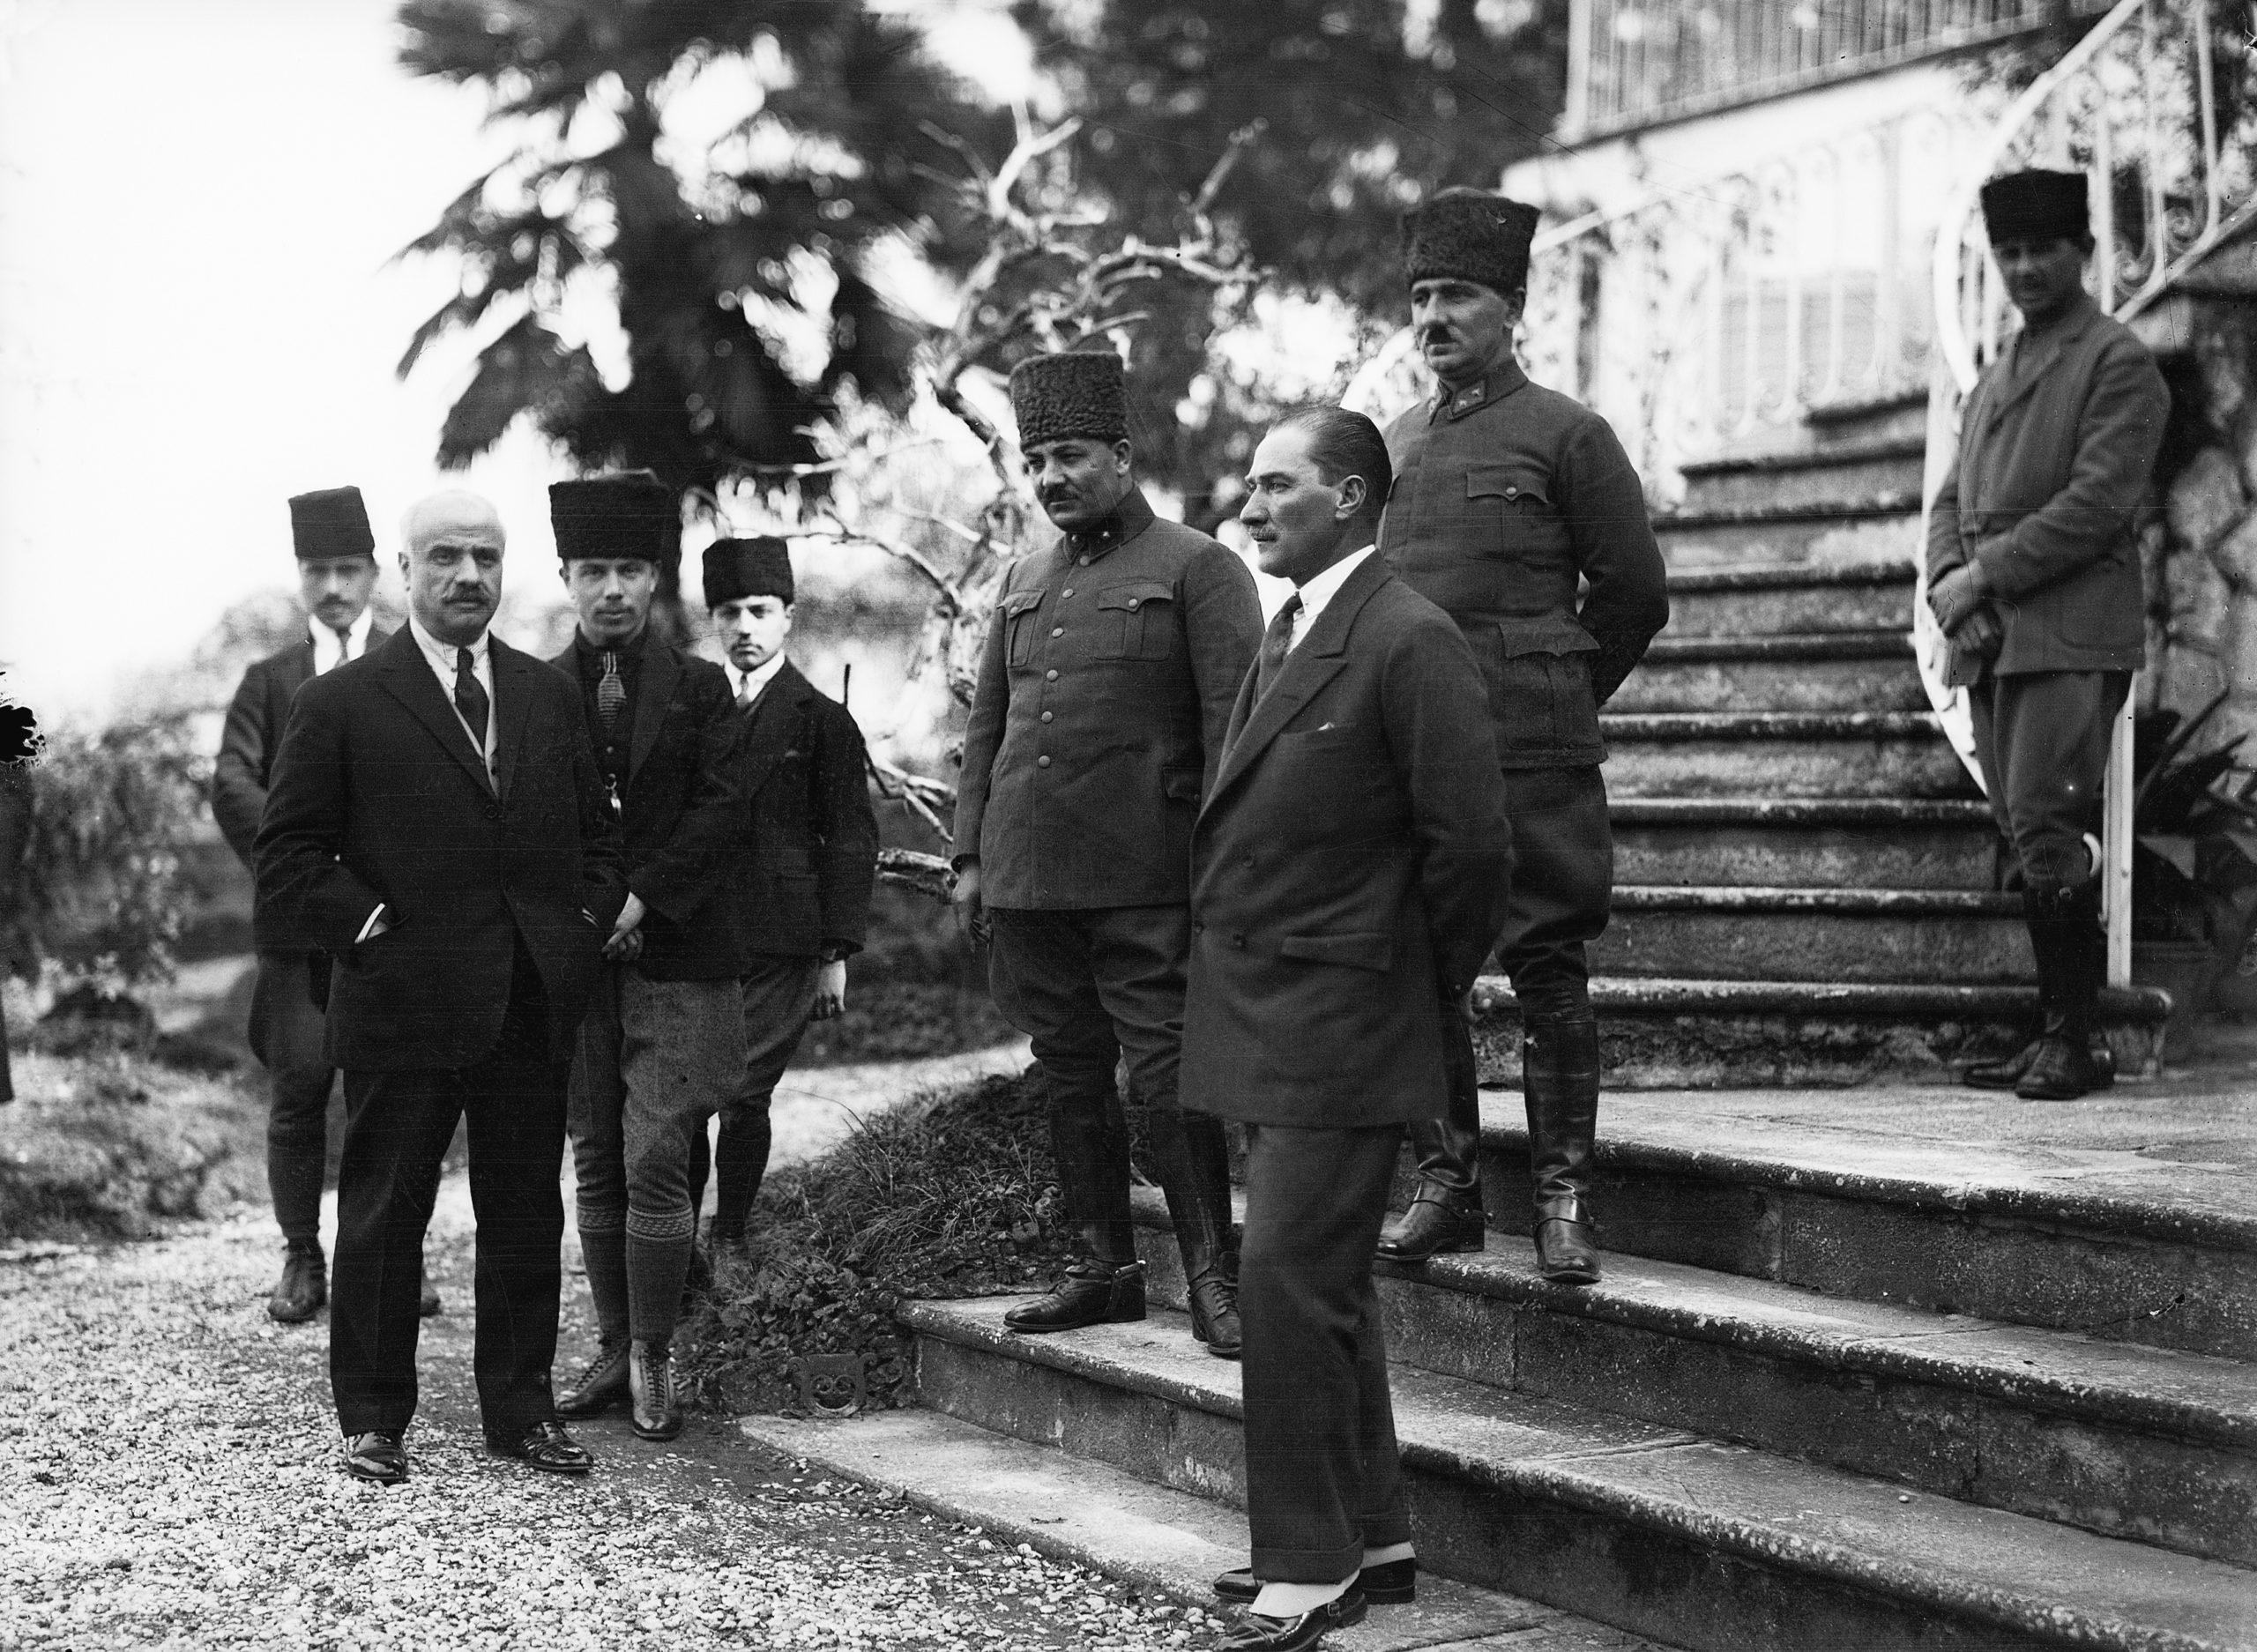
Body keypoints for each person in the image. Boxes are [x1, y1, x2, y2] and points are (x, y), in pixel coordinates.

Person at [1184, 407, 1512, 1651]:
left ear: (1353, 499)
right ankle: (1374, 1534)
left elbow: (1472, 850)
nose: (1253, 507)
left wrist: (1407, 987)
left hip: (1348, 1012)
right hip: (1275, 1008)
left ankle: (1309, 1567)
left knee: (1283, 1281)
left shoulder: (1407, 636)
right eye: (1252, 487)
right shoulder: (1299, 624)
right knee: (1321, 1285)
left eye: (1279, 486)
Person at [254, 488, 626, 1485]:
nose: (470, 576)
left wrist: (579, 931)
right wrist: (369, 926)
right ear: (406, 572)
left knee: (522, 1210)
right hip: (401, 997)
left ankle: (521, 1410)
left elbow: (600, 839)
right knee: (383, 1210)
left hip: (525, 997)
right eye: (448, 557)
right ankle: (374, 1417)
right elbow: (289, 851)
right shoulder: (339, 701)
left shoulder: (547, 695)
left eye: (488, 557)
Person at [1374, 189, 1668, 1284]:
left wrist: (1556, 686)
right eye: (1419, 297)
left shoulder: (1567, 434)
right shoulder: (1392, 444)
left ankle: (1561, 1196)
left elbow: (1634, 591)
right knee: (1420, 968)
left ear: (1512, 307)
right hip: (1414, 753)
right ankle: (1445, 1183)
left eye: (1456, 295)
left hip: (1533, 748)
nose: (1432, 317)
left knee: (1546, 966)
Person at [952, 350, 1263, 1355]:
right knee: (1064, 1071)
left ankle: (1215, 1278)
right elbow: (986, 734)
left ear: (1123, 455)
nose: (1049, 477)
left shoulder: (1196, 567)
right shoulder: (1019, 579)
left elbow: (1235, 733)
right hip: (1029, 877)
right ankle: (1103, 1268)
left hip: (1148, 878)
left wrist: (1225, 871)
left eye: (1070, 454)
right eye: (1035, 457)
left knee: (1167, 1075)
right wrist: (969, 862)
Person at [1929, 168, 2170, 1101]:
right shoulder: (1995, 376)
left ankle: (2075, 1038)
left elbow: (2098, 504)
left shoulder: (2115, 361)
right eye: (2010, 253)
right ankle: (2055, 1031)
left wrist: (1984, 574)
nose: (2025, 268)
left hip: (2072, 632)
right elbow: (1949, 497)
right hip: (1994, 634)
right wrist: (1951, 583)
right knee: (2019, 824)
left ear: (2085, 253)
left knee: (2043, 822)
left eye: (2043, 249)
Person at [542, 473, 749, 1443]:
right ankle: (615, 1344)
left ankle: (659, 1352)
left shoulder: (704, 688)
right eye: (594, 570)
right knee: (593, 1154)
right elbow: (530, 823)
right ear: (566, 576)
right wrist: (592, 913)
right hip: (581, 960)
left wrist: (642, 898)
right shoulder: (534, 690)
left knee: (657, 1150)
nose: (612, 589)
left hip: (680, 947)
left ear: (654, 575)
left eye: (629, 568)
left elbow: (723, 813)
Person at [209, 487, 439, 1324]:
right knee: (302, 1085)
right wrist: (303, 855)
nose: (335, 584)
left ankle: (394, 1258)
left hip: (391, 921)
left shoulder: (410, 663)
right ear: (300, 578)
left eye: (349, 568)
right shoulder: (268, 681)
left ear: (377, 573)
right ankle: (302, 1256)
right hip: (300, 924)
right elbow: (232, 780)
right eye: (318, 569)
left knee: (395, 1089)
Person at [689, 536, 878, 1254]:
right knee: (687, 1102)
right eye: (730, 611)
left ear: (787, 618)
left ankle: (730, 1236)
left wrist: (836, 952)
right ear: (714, 620)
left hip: (784, 943)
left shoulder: (822, 718)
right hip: (701, 940)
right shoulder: (694, 712)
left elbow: (852, 839)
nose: (744, 626)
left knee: (742, 1097)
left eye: (759, 610)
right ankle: (682, 1244)